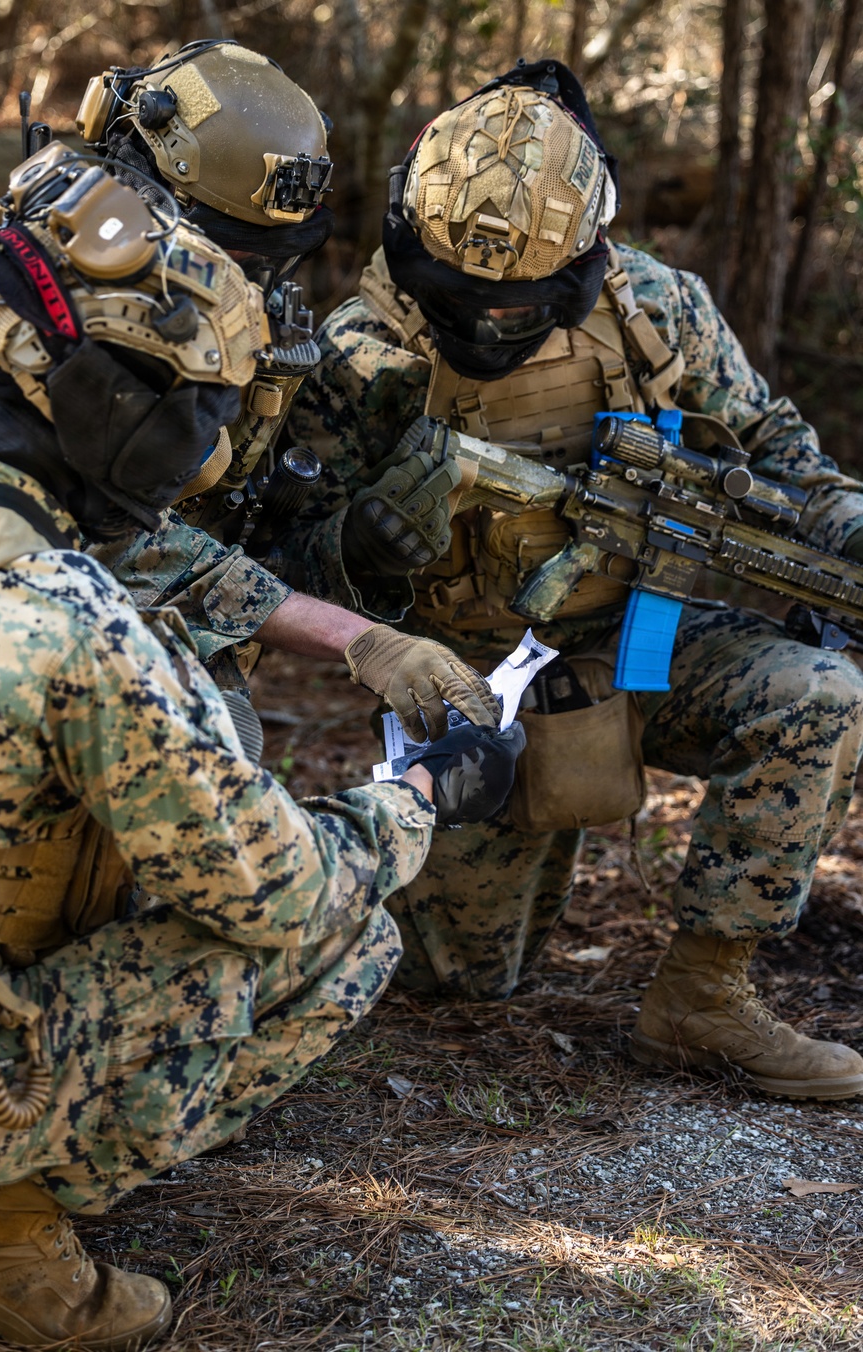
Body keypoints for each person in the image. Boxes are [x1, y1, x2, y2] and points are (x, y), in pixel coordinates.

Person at [0, 162, 524, 1348]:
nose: (210, 457)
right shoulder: (72, 618)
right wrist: (419, 797)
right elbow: (280, 889)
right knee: (344, 931)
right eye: (204, 416)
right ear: (127, 411)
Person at [277, 58, 863, 1101]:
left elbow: (782, 456)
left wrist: (845, 527)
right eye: (466, 303)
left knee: (817, 692)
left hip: (646, 634)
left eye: (523, 305)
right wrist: (364, 543)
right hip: (471, 674)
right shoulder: (358, 358)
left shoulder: (655, 309)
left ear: (587, 256)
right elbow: (273, 564)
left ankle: (702, 995)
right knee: (458, 986)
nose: (493, 325)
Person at [0, 40, 501, 755]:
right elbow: (114, 540)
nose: (242, 282)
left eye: (263, 261)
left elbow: (240, 511)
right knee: (200, 748)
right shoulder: (25, 297)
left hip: (121, 587)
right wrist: (357, 639)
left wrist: (355, 552)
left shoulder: (205, 300)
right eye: (229, 252)